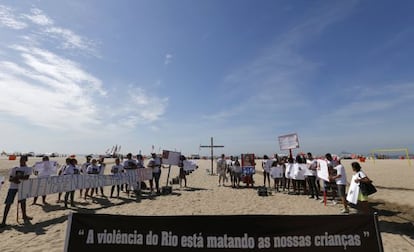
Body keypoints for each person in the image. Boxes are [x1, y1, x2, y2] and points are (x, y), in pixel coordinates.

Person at [1, 155, 33, 227]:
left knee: (23, 202)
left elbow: (26, 177)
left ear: (26, 160)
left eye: (23, 159)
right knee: (8, 203)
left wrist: (16, 178)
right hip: (12, 187)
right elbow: (10, 179)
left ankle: (24, 216)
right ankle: (3, 221)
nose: (21, 161)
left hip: (22, 187)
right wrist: (15, 179)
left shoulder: (28, 168)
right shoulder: (15, 168)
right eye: (20, 159)